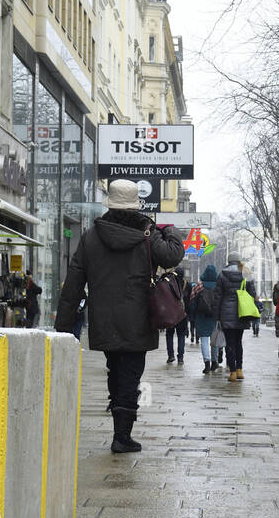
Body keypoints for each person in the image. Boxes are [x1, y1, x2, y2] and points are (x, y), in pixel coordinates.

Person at [55, 179, 185, 453]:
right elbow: (173, 256)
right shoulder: (148, 234)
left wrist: (63, 329)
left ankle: (120, 428)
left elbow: (74, 283)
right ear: (136, 205)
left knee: (115, 369)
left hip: (104, 319)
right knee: (130, 374)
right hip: (138, 317)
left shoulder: (91, 236)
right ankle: (122, 435)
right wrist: (170, 230)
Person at [215, 254, 259, 382]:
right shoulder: (246, 273)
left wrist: (217, 316)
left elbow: (218, 297)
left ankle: (232, 372)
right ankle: (240, 370)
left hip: (226, 313)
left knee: (230, 342)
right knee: (238, 342)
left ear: (228, 261)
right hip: (242, 312)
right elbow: (253, 293)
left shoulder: (222, 274)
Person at [188, 264, 221, 373]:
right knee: (214, 340)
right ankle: (214, 362)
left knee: (204, 339)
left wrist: (192, 315)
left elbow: (192, 301)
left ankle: (207, 363)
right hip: (214, 317)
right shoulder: (218, 286)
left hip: (201, 316)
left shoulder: (198, 285)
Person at [164, 266, 189, 365]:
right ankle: (180, 357)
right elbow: (188, 302)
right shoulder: (187, 285)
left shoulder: (169, 284)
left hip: (171, 313)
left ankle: (171, 355)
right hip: (182, 315)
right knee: (181, 335)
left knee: (169, 334)